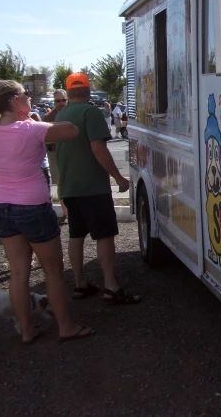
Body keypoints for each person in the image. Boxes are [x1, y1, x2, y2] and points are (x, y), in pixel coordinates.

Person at [0, 80, 94, 343]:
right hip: (32, 208)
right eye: (25, 94)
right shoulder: (29, 129)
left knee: (18, 273)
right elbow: (71, 130)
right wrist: (37, 119)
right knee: (52, 271)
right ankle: (65, 327)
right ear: (15, 101)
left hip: (2, 207)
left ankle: (26, 330)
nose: (29, 98)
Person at [56, 73, 140, 305]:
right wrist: (119, 178)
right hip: (92, 187)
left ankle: (80, 283)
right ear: (87, 89)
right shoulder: (90, 112)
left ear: (69, 92)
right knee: (104, 235)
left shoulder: (62, 114)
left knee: (76, 234)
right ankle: (111, 287)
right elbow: (98, 149)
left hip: (69, 187)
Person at [44, 89, 69, 225]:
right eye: (57, 101)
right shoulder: (48, 117)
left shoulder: (72, 114)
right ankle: (66, 213)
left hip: (72, 154)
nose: (61, 103)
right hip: (55, 154)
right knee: (60, 184)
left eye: (63, 100)